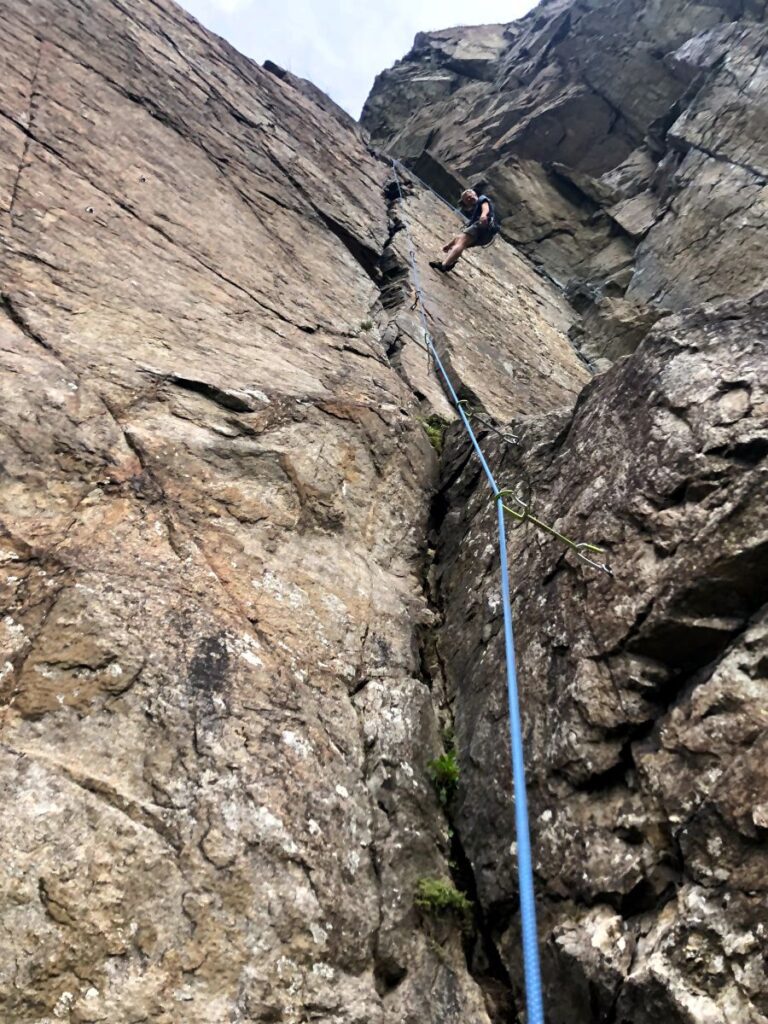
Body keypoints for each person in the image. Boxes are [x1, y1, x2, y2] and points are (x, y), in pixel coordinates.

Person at [429, 189, 498, 273]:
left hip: (483, 226)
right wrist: (449, 245)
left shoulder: (482, 199)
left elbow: (485, 207)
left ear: (475, 194)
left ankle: (444, 265)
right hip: (486, 236)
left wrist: (483, 215)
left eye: (470, 196)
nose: (469, 198)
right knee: (461, 241)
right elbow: (460, 237)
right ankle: (448, 264)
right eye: (467, 199)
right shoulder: (475, 214)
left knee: (462, 241)